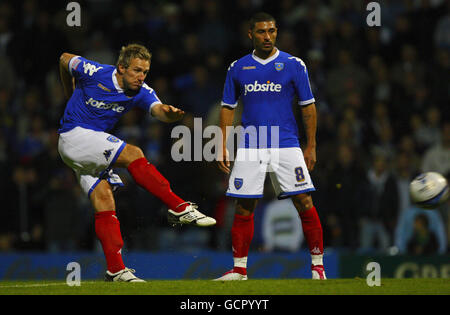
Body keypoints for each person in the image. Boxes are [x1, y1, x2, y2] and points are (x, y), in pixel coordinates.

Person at [57, 44, 216, 282]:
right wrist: (69, 91)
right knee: (133, 153)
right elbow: (64, 58)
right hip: (73, 135)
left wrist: (169, 115)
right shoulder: (94, 71)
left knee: (104, 199)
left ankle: (115, 270)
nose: (141, 77)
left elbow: (157, 109)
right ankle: (179, 206)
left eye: (145, 72)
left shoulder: (141, 90)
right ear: (121, 68)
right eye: (136, 70)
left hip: (87, 147)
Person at [215, 13, 326, 280]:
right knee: (244, 206)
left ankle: (318, 266)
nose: (268, 36)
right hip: (251, 145)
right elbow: (227, 108)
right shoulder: (238, 68)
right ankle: (239, 270)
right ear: (250, 34)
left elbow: (308, 106)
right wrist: (222, 144)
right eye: (262, 32)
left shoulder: (293, 64)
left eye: (272, 31)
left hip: (286, 143)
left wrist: (311, 145)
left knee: (304, 200)